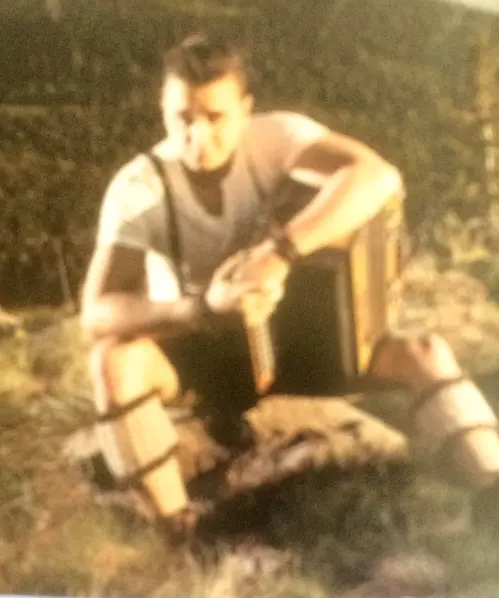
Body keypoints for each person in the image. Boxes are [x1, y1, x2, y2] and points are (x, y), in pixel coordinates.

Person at [80, 33, 499, 539]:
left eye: (215, 117)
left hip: (299, 338)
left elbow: (376, 175)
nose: (197, 136)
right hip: (203, 353)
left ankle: (489, 484)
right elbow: (97, 312)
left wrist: (276, 254)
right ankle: (181, 530)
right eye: (182, 118)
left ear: (245, 110)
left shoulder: (276, 136)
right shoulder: (140, 185)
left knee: (426, 354)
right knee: (113, 360)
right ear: (163, 111)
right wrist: (202, 308)